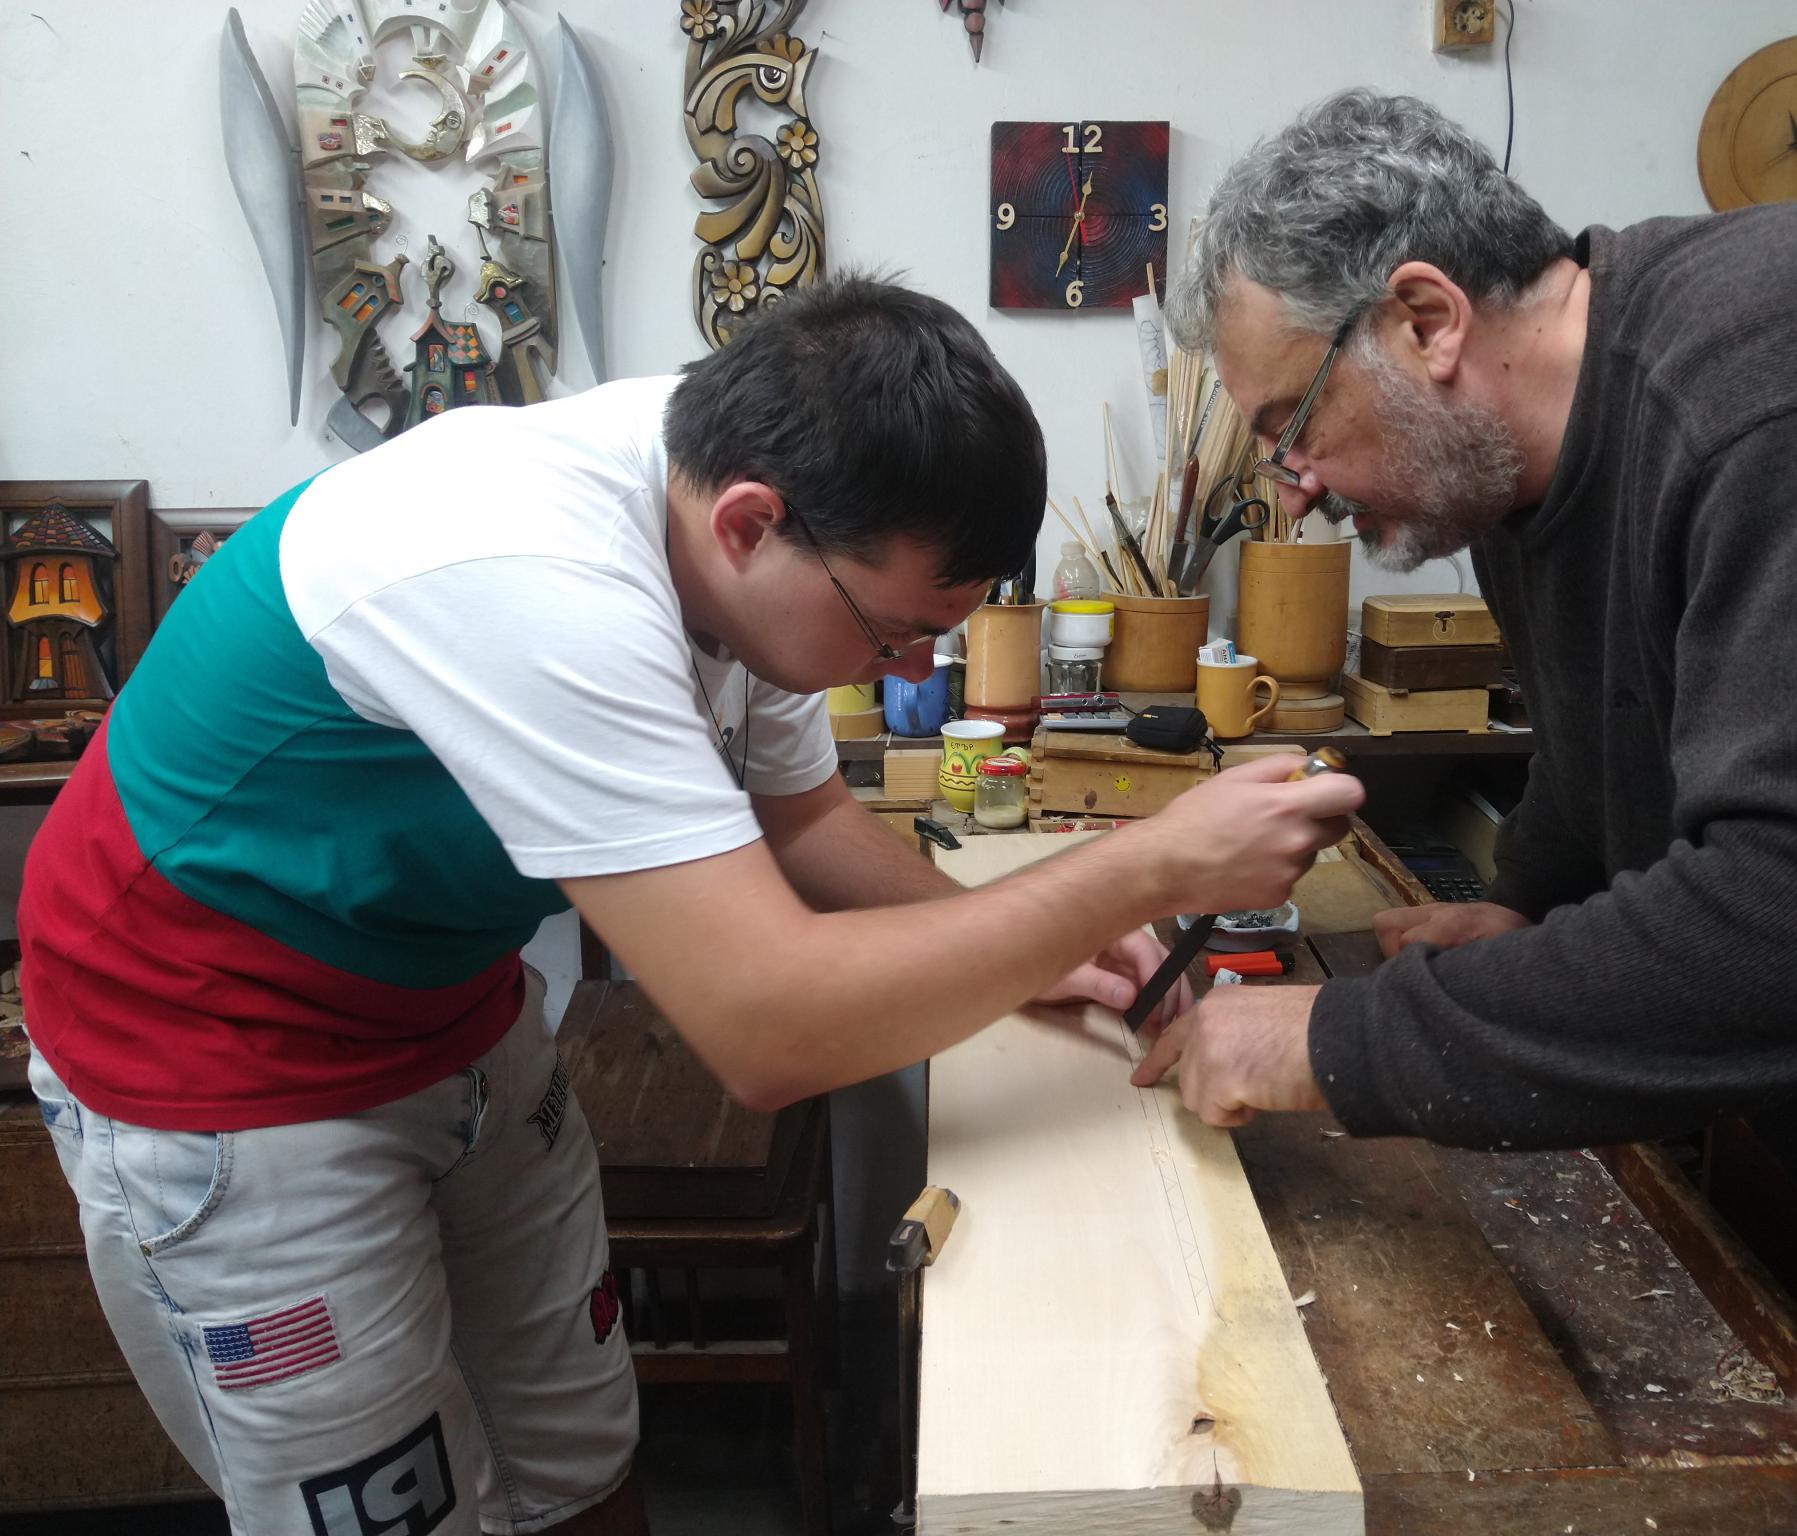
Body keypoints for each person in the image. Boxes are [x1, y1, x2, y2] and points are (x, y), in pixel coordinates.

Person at [18, 275, 1363, 1536]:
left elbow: (804, 821)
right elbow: (769, 1031)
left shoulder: (743, 501)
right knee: (399, 1508)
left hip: (446, 1002)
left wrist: (1040, 946)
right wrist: (1140, 869)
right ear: (750, 526)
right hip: (223, 1061)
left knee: (577, 1447)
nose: (910, 668)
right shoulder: (541, 579)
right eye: (892, 633)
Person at [1146, 89, 1797, 1531]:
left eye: (1290, 429)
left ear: (1427, 320)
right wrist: (1536, 900)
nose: (1293, 496)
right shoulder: (1517, 475)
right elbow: (1604, 728)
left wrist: (1341, 1042)